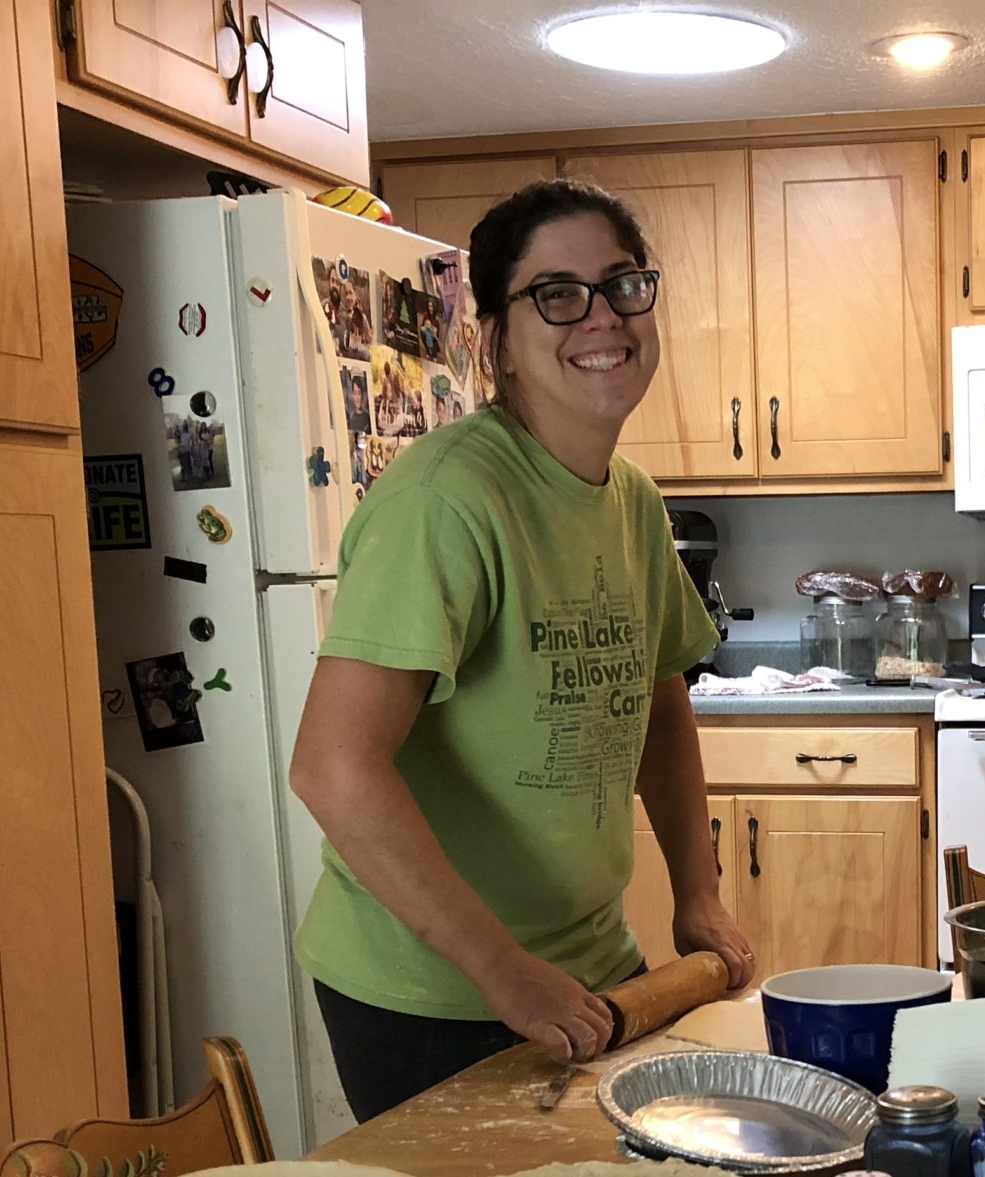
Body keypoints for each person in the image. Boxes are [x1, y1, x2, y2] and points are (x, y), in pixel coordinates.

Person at [290, 179, 753, 1122]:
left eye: (621, 284)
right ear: (494, 337)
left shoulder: (628, 499)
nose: (601, 317)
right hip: (436, 990)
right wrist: (501, 971)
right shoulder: (448, 501)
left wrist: (697, 894)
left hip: (589, 967)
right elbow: (333, 769)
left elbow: (658, 704)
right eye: (556, 293)